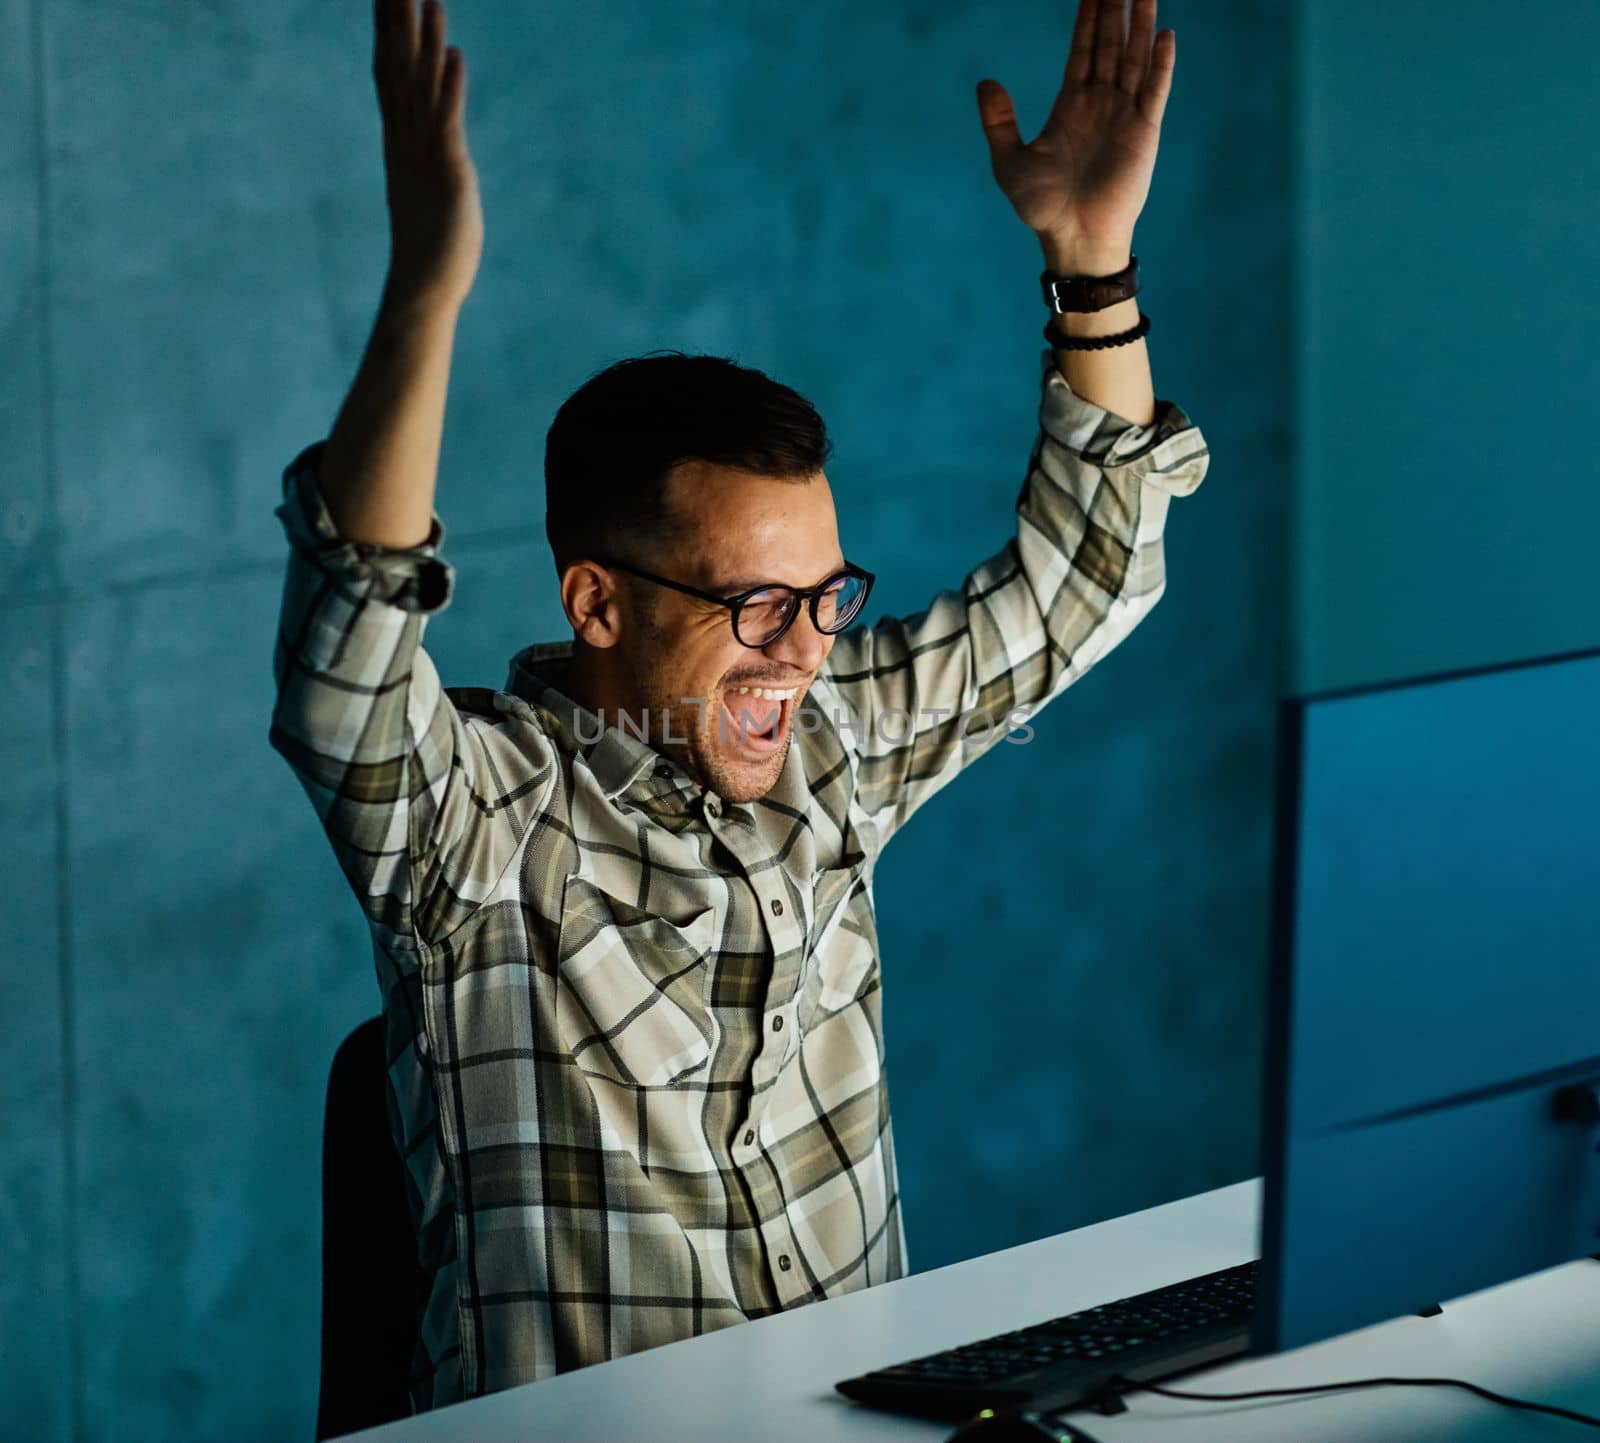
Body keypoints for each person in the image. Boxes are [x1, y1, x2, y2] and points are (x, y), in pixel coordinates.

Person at [269, 0, 1207, 1415]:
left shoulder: (835, 741)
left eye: (826, 598)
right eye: (755, 608)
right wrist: (425, 295)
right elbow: (348, 662)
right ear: (597, 604)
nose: (804, 654)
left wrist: (1090, 267)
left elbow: (1092, 572)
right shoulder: (483, 830)